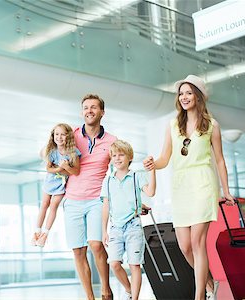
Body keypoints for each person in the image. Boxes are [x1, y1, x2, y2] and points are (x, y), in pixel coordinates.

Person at [143, 75, 235, 300]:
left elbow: (220, 160)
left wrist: (226, 190)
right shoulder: (173, 125)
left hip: (203, 183)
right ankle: (211, 284)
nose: (184, 97)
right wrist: (154, 163)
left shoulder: (212, 125)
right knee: (184, 246)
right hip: (181, 185)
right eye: (181, 93)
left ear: (198, 96)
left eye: (188, 93)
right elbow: (165, 158)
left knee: (197, 242)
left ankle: (199, 295)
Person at [63, 94, 117, 300]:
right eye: (86, 107)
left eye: (94, 107)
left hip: (97, 199)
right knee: (78, 250)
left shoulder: (112, 141)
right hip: (73, 200)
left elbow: (119, 170)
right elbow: (48, 150)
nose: (89, 111)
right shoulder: (72, 135)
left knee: (96, 244)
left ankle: (105, 289)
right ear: (81, 112)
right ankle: (89, 297)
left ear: (102, 112)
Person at [102, 140, 156, 300]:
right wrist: (104, 231)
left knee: (134, 265)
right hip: (115, 228)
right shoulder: (108, 180)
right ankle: (129, 290)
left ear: (129, 157)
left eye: (121, 155)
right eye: (114, 155)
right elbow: (106, 206)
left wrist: (152, 171)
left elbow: (151, 192)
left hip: (133, 226)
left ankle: (135, 298)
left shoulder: (136, 176)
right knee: (114, 263)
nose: (117, 158)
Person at [32, 123, 81, 247]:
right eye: (57, 134)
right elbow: (49, 169)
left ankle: (45, 234)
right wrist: (62, 168)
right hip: (49, 182)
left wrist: (65, 168)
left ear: (68, 136)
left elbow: (75, 172)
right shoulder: (52, 151)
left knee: (53, 206)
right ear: (53, 136)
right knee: (44, 204)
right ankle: (36, 232)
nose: (59, 137)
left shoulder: (73, 152)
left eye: (63, 134)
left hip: (61, 185)